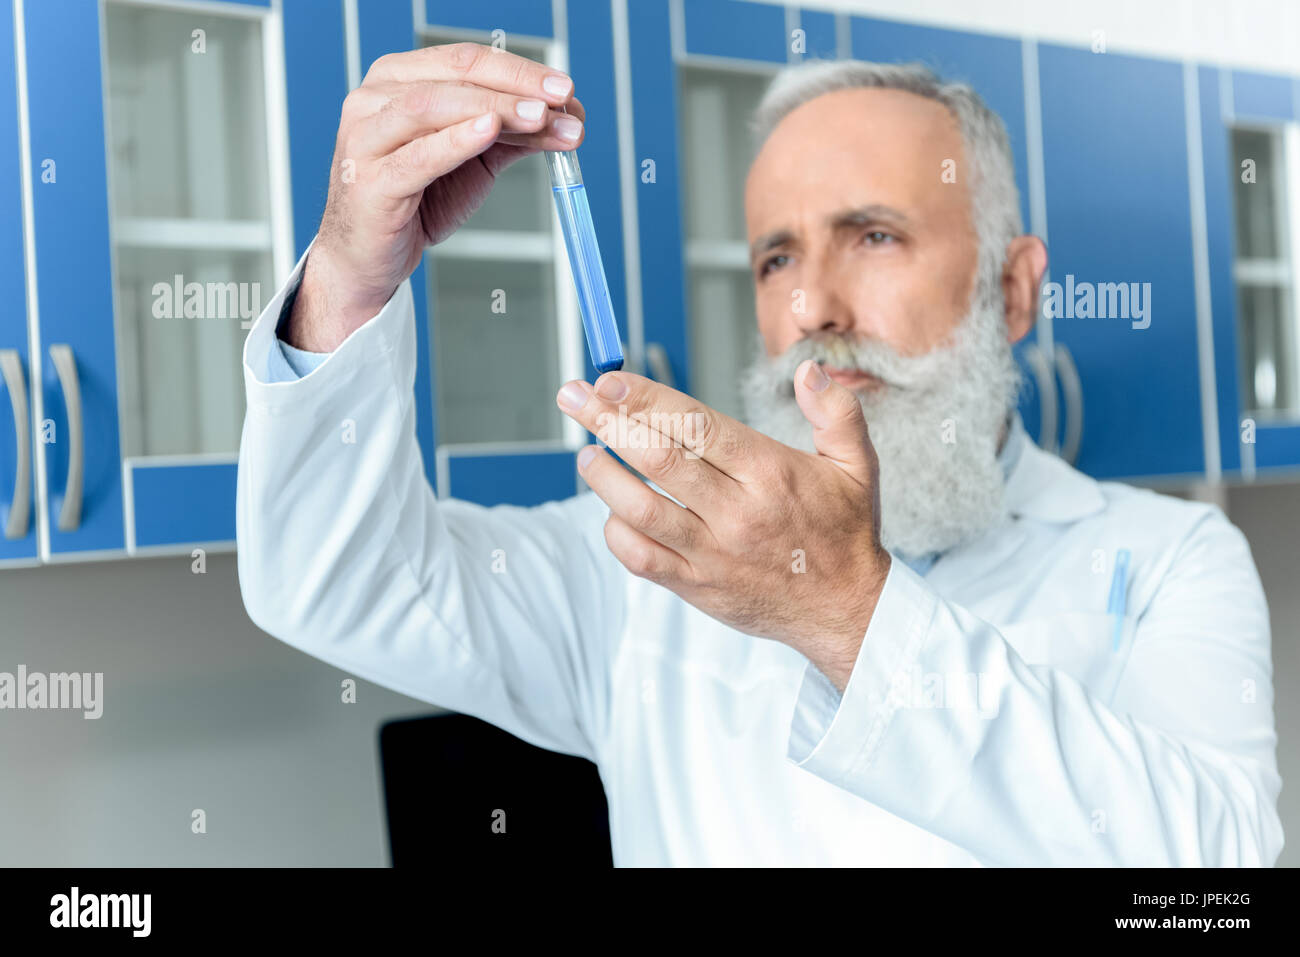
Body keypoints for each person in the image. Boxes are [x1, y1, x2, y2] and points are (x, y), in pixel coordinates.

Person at [236, 43, 1283, 866]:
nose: (813, 309)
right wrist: (349, 279)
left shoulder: (1169, 560)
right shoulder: (639, 569)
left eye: (873, 236)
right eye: (777, 256)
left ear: (1012, 290)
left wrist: (842, 613)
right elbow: (332, 584)